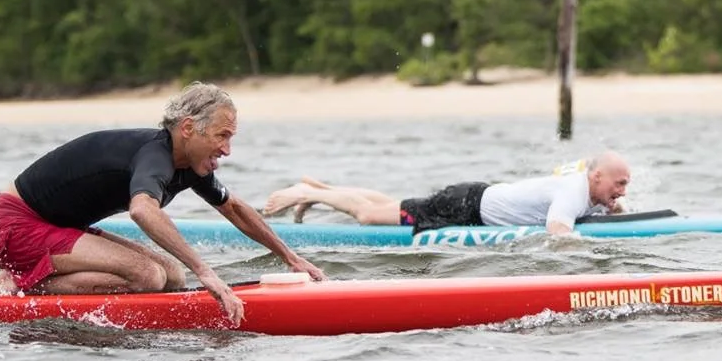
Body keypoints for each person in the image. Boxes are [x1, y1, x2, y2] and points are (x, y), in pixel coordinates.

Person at [0, 82, 324, 322]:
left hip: (56, 227)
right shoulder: (154, 156)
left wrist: (292, 259)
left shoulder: (189, 163)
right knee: (148, 275)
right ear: (189, 128)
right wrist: (206, 273)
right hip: (16, 227)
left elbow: (233, 208)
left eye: (230, 137)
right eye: (222, 135)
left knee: (172, 276)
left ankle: (27, 278)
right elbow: (142, 208)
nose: (227, 149)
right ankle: (19, 284)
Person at [262, 152, 632, 237]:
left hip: (472, 200)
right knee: (370, 217)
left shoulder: (589, 189)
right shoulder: (573, 188)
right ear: (595, 176)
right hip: (464, 208)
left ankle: (322, 190)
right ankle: (308, 193)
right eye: (618, 184)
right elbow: (558, 233)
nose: (621, 191)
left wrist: (616, 208)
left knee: (392, 203)